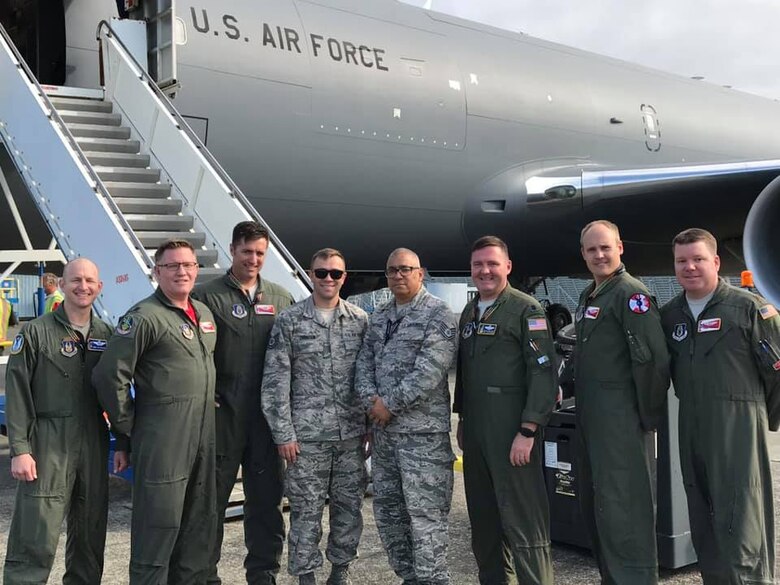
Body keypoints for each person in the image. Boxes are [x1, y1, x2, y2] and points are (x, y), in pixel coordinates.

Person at [93, 239, 218, 584]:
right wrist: (128, 427)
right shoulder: (143, 317)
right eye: (172, 266)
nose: (182, 272)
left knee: (196, 528)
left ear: (197, 270)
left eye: (188, 265)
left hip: (202, 437)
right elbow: (109, 376)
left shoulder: (203, 314)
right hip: (163, 442)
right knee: (157, 530)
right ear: (156, 272)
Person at [660, 228, 779, 584]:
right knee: (703, 520)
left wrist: (757, 419)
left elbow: (777, 374)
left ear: (715, 261)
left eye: (698, 259)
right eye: (682, 261)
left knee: (743, 524)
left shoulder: (749, 309)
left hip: (738, 429)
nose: (690, 267)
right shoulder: (670, 315)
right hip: (691, 428)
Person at [3, 258, 125, 584]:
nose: (83, 286)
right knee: (36, 528)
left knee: (90, 531)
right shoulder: (36, 332)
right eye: (75, 280)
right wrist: (20, 449)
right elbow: (17, 393)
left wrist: (123, 441)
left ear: (99, 287)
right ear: (61, 285)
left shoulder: (107, 334)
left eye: (89, 281)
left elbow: (117, 390)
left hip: (93, 441)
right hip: (48, 442)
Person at [191, 221, 295, 585]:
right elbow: (190, 353)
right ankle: (205, 576)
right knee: (209, 504)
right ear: (232, 249)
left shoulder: (281, 299)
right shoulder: (205, 298)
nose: (253, 259)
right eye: (247, 251)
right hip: (222, 418)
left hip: (266, 423)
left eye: (260, 253)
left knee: (266, 504)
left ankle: (263, 575)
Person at [453, 235, 557, 585]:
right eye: (478, 265)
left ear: (507, 267)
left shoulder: (526, 310)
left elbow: (543, 372)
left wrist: (528, 429)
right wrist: (462, 418)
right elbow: (465, 372)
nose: (485, 271)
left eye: (492, 264)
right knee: (484, 524)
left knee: (524, 523)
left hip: (512, 431)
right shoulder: (470, 311)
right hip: (477, 432)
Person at [262, 248, 369, 585]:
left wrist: (369, 425)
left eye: (335, 273)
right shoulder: (290, 321)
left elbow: (368, 377)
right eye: (321, 272)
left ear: (343, 278)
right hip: (305, 440)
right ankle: (305, 574)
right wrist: (283, 433)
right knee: (305, 511)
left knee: (348, 509)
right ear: (310, 274)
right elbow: (275, 381)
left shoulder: (359, 320)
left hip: (350, 435)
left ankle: (340, 570)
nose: (328, 279)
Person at [574, 220, 670, 584]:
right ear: (583, 254)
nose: (599, 255)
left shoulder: (631, 295)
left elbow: (652, 362)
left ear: (620, 248)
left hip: (621, 421)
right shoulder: (590, 295)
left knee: (625, 508)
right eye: (592, 249)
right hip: (593, 419)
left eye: (605, 247)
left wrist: (645, 417)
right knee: (600, 507)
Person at [355, 248, 458, 585]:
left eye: (405, 269)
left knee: (426, 519)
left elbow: (429, 370)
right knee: (390, 515)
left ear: (420, 273)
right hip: (384, 437)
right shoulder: (381, 317)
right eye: (392, 270)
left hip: (422, 439)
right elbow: (363, 365)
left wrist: (389, 406)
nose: (398, 275)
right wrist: (372, 403)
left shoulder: (438, 314)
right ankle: (409, 578)